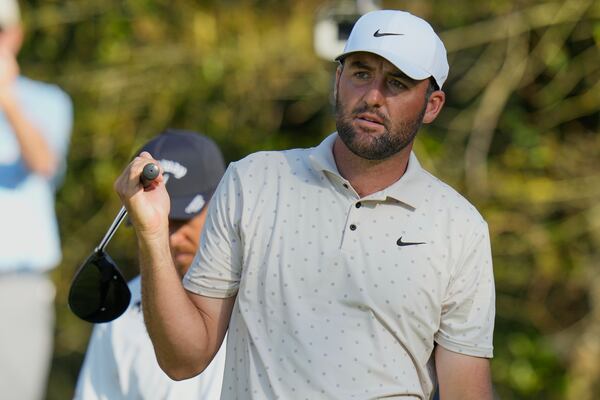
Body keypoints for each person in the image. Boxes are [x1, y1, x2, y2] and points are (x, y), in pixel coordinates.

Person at [115, 10, 495, 400]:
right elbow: (184, 359)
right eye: (361, 73)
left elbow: (466, 392)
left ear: (432, 105)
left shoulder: (459, 227)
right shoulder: (253, 181)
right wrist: (152, 233)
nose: (373, 97)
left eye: (397, 83)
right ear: (338, 81)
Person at [75, 130, 227, 400]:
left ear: (221, 200)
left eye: (182, 219)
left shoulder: (262, 292)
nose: (173, 237)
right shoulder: (121, 311)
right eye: (159, 224)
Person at [0, 1, 73, 399]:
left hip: (16, 287)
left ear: (15, 34)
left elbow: (44, 163)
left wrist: (8, 101)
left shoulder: (47, 101)